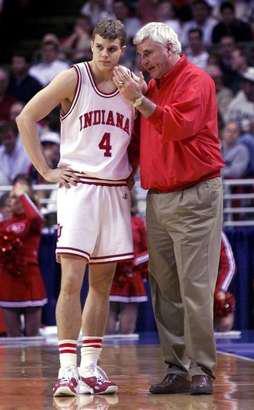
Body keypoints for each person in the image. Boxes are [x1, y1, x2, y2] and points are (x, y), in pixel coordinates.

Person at [16, 19, 140, 396]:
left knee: (102, 286)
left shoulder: (132, 84)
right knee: (72, 282)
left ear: (123, 49)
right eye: (100, 46)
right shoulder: (74, 78)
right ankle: (67, 370)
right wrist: (45, 171)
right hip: (79, 188)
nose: (106, 54)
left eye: (113, 48)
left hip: (115, 191)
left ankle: (90, 367)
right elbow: (26, 117)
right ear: (91, 45)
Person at [113, 22, 224, 395]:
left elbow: (177, 126)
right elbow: (142, 136)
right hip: (158, 197)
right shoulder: (153, 86)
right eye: (140, 55)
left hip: (195, 194)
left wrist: (139, 99)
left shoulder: (197, 80)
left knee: (194, 287)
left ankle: (202, 368)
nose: (142, 62)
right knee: (164, 290)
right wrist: (127, 171)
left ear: (171, 48)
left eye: (148, 54)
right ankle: (176, 367)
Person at [0, 175, 47, 337]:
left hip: (30, 279)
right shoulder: (3, 224)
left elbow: (35, 217)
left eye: (21, 197)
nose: (17, 201)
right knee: (13, 338)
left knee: (32, 339)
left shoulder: (33, 221)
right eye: (13, 197)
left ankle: (34, 364)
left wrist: (22, 195)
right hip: (8, 280)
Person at [107, 206, 148, 334]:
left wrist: (134, 263)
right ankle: (106, 353)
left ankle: (127, 352)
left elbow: (148, 249)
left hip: (132, 274)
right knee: (107, 323)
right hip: (111, 273)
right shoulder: (107, 220)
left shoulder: (138, 222)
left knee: (127, 328)